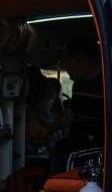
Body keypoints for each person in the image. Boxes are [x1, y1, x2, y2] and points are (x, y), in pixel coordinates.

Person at [30, 40, 105, 172]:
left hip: (98, 143)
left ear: (77, 59)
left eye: (65, 60)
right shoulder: (79, 84)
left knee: (64, 151)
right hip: (78, 138)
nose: (64, 65)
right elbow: (71, 112)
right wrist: (48, 130)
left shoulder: (107, 83)